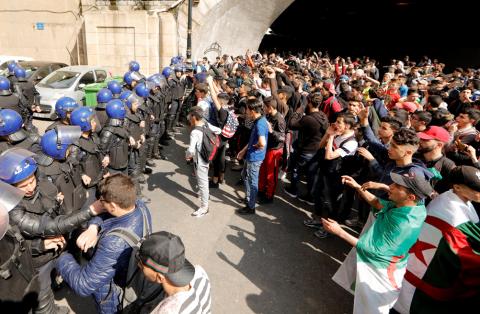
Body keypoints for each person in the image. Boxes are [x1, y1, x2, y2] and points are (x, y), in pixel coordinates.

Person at [323, 172, 433, 314]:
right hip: (381, 267)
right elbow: (377, 203)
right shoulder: (411, 206)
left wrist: (339, 231)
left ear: (411, 197)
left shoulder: (405, 224)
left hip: (382, 275)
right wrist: (357, 186)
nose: (390, 187)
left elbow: (373, 251)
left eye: (397, 186)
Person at [56, 173, 152, 314]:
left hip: (113, 295)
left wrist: (61, 256)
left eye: (102, 201)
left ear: (112, 206)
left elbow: (84, 285)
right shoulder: (139, 206)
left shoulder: (114, 243)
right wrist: (93, 227)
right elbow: (107, 214)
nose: (99, 203)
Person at [394, 166, 480, 313]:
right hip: (425, 284)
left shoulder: (450, 197)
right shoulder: (454, 217)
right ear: (457, 187)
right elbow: (470, 260)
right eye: (476, 189)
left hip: (416, 270)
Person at [137, 231, 212, 314]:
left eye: (142, 265)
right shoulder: (201, 274)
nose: (138, 265)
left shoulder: (168, 310)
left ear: (159, 278)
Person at [185, 106, 221, 217]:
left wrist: (187, 156)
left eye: (190, 116)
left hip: (200, 160)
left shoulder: (195, 132)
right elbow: (218, 130)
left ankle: (204, 207)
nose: (189, 118)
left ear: (194, 117)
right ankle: (203, 195)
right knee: (203, 180)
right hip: (207, 157)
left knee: (203, 183)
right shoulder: (206, 124)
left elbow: (191, 150)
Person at [236, 98, 269, 215]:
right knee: (246, 177)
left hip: (255, 157)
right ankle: (249, 199)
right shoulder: (261, 120)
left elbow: (262, 143)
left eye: (247, 110)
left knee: (252, 181)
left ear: (252, 111)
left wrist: (254, 146)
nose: (246, 112)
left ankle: (251, 206)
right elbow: (253, 139)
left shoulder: (260, 123)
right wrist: (244, 150)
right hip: (251, 155)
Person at [258, 97, 286, 203]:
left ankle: (269, 196)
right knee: (263, 171)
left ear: (270, 107)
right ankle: (261, 190)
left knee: (271, 174)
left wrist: (271, 131)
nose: (263, 109)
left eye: (265, 107)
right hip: (267, 147)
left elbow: (282, 137)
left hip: (275, 150)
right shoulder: (268, 115)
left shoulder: (279, 119)